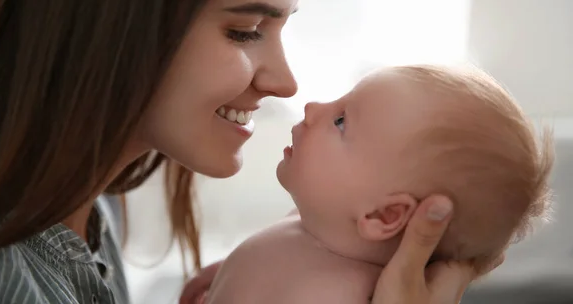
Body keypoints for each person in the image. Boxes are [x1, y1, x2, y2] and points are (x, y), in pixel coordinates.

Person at [0, 0, 495, 303]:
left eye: (280, 28)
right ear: (104, 11)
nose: (287, 84)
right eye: (245, 31)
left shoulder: (83, 217)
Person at [202, 64, 553, 304]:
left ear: (385, 216)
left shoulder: (335, 293)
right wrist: (230, 278)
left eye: (341, 121)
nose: (312, 108)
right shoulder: (311, 223)